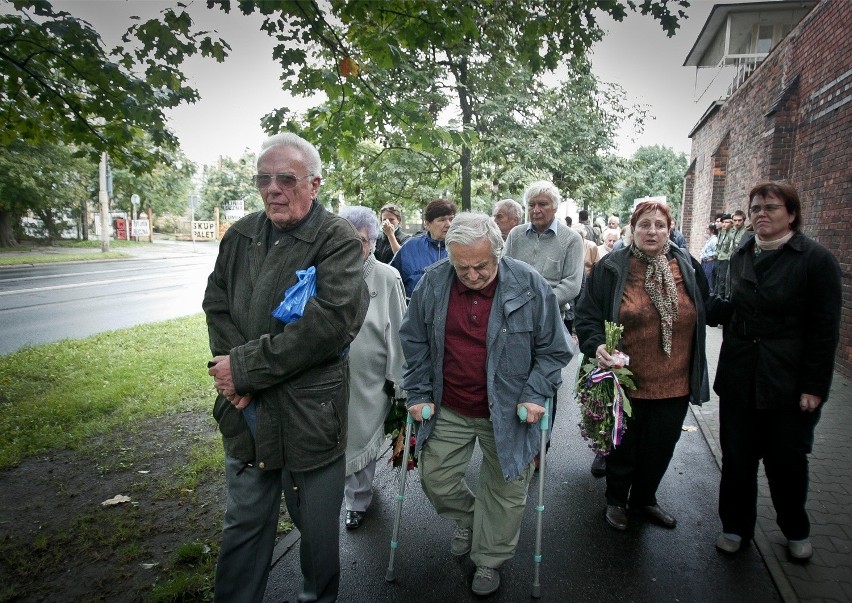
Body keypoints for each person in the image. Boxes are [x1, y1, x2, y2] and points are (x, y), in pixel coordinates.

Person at [203, 133, 368, 603]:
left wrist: (244, 370)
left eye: (286, 179)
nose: (273, 189)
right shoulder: (241, 235)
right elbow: (216, 306)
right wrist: (234, 374)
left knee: (315, 535)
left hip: (309, 415)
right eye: (263, 179)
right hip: (246, 413)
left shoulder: (335, 239)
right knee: (243, 526)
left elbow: (330, 324)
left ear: (314, 184)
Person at [400, 212, 572, 596]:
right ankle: (473, 519)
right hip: (451, 404)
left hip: (510, 409)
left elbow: (554, 350)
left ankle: (489, 559)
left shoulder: (530, 285)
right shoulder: (434, 282)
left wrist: (534, 393)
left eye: (481, 266)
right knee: (435, 478)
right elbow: (413, 342)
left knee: (507, 489)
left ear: (498, 252)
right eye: (463, 267)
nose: (472, 275)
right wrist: (418, 392)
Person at [708, 181, 841, 560]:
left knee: (787, 463)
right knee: (737, 459)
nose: (761, 214)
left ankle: (795, 529)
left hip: (788, 380)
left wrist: (814, 386)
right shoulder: (742, 252)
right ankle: (735, 527)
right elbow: (734, 306)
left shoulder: (815, 260)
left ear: (792, 214)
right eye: (755, 208)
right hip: (739, 376)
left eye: (771, 207)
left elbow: (824, 331)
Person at [575, 199, 709, 532]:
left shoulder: (687, 265)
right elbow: (587, 314)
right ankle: (617, 501)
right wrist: (597, 345)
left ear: (670, 229)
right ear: (632, 230)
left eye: (659, 225)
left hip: (675, 380)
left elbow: (709, 305)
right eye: (644, 225)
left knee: (661, 447)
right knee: (622, 447)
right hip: (626, 380)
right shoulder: (612, 267)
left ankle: (645, 499)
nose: (652, 231)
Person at [338, 206, 407, 531]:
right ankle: (352, 495)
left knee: (361, 435)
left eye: (363, 240)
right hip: (334, 374)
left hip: (372, 377)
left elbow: (398, 330)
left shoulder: (386, 276)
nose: (356, 247)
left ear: (372, 241)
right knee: (341, 435)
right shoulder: (327, 271)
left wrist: (399, 380)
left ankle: (358, 501)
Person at [504, 180, 584, 454]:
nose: (536, 210)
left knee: (546, 380)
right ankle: (514, 440)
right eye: (531, 205)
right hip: (514, 322)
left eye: (543, 204)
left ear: (555, 207)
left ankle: (540, 446)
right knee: (513, 379)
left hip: (551, 322)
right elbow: (503, 273)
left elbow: (572, 285)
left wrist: (536, 302)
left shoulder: (571, 239)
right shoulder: (515, 235)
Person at [390, 198, 456, 298]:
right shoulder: (410, 247)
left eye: (451, 219)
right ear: (427, 224)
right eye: (442, 220)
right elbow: (391, 280)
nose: (448, 224)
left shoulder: (461, 248)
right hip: (415, 310)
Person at [699, 223, 718, 295]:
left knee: (709, 280)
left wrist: (711, 259)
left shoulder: (714, 240)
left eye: (708, 229)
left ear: (712, 230)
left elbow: (716, 252)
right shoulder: (709, 239)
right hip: (704, 262)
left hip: (709, 263)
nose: (706, 230)